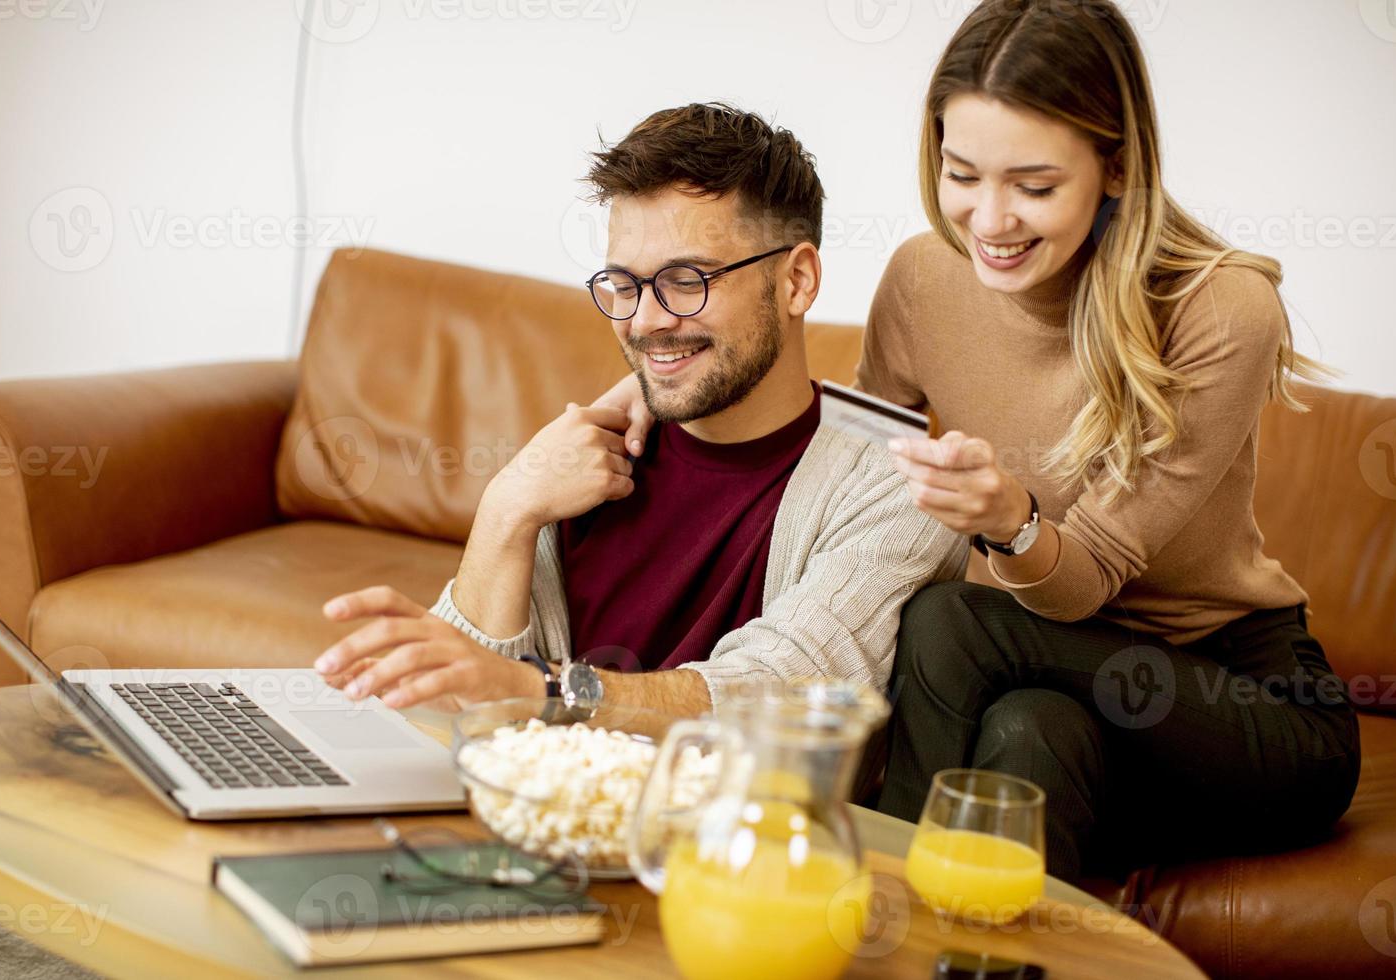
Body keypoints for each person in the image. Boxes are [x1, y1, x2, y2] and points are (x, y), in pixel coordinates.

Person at [604, 1, 1361, 882]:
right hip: (1044, 691)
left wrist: (1013, 522)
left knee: (948, 619)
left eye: (1033, 187)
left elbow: (1087, 582)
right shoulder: (926, 275)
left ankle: (851, 892)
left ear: (1116, 167)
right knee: (1029, 732)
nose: (990, 220)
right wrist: (672, 384)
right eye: (962, 174)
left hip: (1241, 701)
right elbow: (849, 461)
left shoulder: (1221, 309)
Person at [311, 103, 967, 719]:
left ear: (796, 280)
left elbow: (783, 688)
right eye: (623, 285)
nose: (646, 322)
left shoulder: (897, 478)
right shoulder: (582, 459)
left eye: (688, 281)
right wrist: (508, 507)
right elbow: (446, 714)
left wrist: (543, 692)